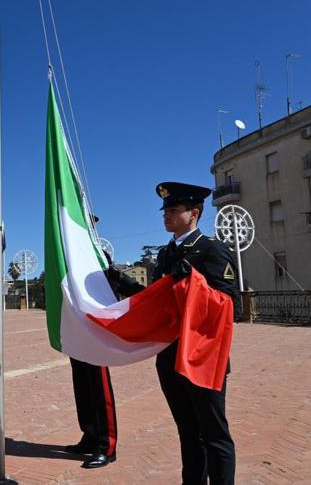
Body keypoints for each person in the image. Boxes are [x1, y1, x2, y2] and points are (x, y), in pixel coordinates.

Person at [152, 181, 237, 484]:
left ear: (194, 213)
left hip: (202, 358)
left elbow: (227, 303)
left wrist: (194, 281)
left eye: (174, 210)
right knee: (187, 432)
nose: (166, 216)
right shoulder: (165, 254)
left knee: (214, 435)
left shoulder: (212, 249)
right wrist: (120, 282)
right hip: (171, 356)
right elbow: (155, 300)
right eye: (165, 211)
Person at [64, 215, 143, 469]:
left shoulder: (96, 254)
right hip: (77, 329)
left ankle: (106, 445)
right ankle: (89, 436)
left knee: (99, 387)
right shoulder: (67, 251)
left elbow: (114, 280)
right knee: (82, 385)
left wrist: (142, 295)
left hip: (96, 330)